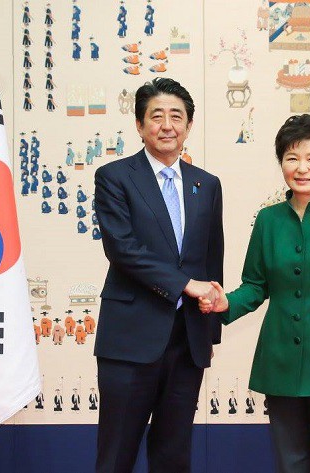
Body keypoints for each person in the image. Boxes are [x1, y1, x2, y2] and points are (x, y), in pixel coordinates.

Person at [200, 114, 310, 473]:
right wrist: (226, 303)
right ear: (281, 162)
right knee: (290, 463)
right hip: (281, 360)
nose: (302, 168)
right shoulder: (268, 220)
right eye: (292, 158)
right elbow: (256, 286)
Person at [94, 77, 224, 473]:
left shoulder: (207, 184)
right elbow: (123, 249)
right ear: (139, 125)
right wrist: (185, 284)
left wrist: (209, 333)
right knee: (117, 455)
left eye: (176, 116)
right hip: (130, 340)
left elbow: (211, 258)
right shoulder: (115, 177)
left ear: (189, 125)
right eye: (156, 116)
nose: (167, 125)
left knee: (173, 455)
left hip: (187, 343)